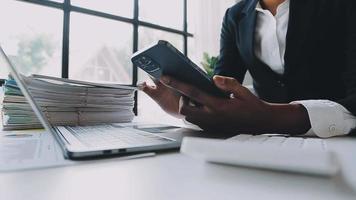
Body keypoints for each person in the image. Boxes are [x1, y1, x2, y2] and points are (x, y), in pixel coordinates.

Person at [139, 0, 356, 138]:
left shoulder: (342, 5)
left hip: (337, 138)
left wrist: (273, 116)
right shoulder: (235, 16)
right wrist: (188, 102)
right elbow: (223, 82)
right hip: (265, 140)